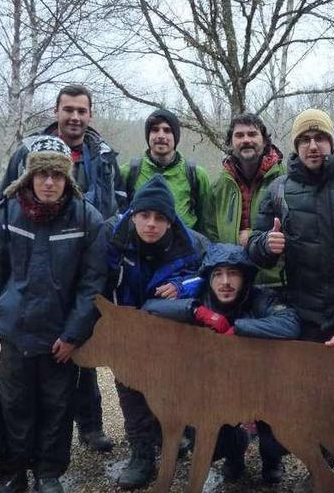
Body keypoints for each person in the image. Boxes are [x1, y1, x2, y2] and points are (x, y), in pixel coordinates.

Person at [0, 135, 107, 493]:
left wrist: (72, 335)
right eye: (42, 174)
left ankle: (48, 473)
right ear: (28, 177)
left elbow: (91, 285)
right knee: (14, 405)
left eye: (57, 175)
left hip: (60, 336)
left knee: (57, 406)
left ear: (68, 178)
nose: (49, 182)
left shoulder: (87, 218)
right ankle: (12, 472)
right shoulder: (7, 211)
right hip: (15, 330)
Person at [0, 84, 123, 452]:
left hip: (88, 259)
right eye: (68, 109)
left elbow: (118, 202)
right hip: (43, 259)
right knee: (43, 353)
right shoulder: (30, 151)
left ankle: (90, 426)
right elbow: (7, 201)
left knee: (81, 342)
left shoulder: (102, 154)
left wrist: (105, 240)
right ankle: (39, 438)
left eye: (81, 110)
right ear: (56, 111)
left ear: (90, 115)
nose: (74, 116)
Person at [142, 243, 299, 484]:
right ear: (209, 278)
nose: (225, 282)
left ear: (244, 276)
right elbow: (149, 309)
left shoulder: (259, 297)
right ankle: (234, 455)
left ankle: (272, 459)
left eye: (233, 273)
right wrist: (197, 312)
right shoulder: (198, 297)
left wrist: (239, 328)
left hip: (263, 385)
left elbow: (289, 324)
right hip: (218, 388)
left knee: (280, 431)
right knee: (207, 437)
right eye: (218, 274)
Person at [249, 108, 334, 373]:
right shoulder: (278, 190)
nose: (313, 146)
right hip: (305, 321)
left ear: (332, 141)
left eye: (320, 137)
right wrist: (265, 245)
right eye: (305, 139)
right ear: (296, 146)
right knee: (310, 403)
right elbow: (254, 247)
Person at [105, 175, 210, 490]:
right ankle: (141, 454)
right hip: (127, 328)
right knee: (129, 386)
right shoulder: (112, 239)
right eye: (145, 216)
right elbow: (93, 280)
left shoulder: (193, 243)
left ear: (170, 220)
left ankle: (173, 438)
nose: (151, 224)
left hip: (171, 334)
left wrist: (181, 286)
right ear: (133, 215)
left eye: (160, 218)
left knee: (173, 387)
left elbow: (211, 276)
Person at [205, 113, 285, 287]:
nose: (246, 140)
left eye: (252, 134)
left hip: (277, 284)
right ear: (231, 143)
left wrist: (255, 239)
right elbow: (211, 236)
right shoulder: (218, 188)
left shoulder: (286, 180)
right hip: (232, 286)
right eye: (239, 135)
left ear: (264, 141)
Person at [122, 109, 212, 234]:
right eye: (155, 129)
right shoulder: (128, 172)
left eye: (167, 130)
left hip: (184, 250)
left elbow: (207, 223)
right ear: (148, 135)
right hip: (139, 249)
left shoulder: (196, 175)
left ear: (175, 136)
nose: (161, 135)